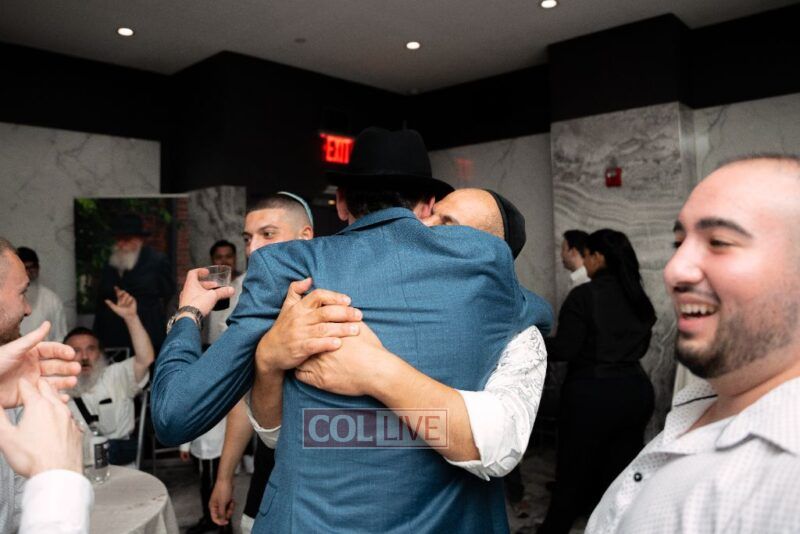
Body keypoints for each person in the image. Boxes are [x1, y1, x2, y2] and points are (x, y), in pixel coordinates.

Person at [152, 127, 548, 532]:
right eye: (439, 217)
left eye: (455, 228)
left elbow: (174, 414)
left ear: (340, 202)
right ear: (427, 206)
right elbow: (281, 433)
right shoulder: (497, 282)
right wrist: (268, 358)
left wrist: (188, 314)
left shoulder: (288, 269)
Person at [586, 156, 800, 533]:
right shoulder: (702, 403)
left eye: (719, 242)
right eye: (679, 242)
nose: (673, 270)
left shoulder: (786, 483)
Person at [208, 193, 314, 534]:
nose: (253, 249)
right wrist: (225, 476)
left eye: (267, 234)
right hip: (270, 466)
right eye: (247, 238)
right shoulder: (247, 302)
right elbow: (243, 398)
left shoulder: (335, 293)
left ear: (305, 236)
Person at [539, 229, 656, 534]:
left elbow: (565, 349)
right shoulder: (638, 297)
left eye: (588, 255)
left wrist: (529, 341)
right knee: (619, 478)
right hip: (635, 392)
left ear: (598, 257)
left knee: (571, 476)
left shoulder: (584, 296)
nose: (585, 261)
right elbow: (641, 346)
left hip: (592, 395)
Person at [0, 236, 88, 533]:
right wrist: (58, 476)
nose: (28, 309)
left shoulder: (10, 386)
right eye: (22, 292)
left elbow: (14, 500)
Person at [65, 287, 153, 465]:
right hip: (76, 469)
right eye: (76, 351)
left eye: (91, 349)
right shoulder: (57, 388)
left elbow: (145, 359)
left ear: (100, 353)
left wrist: (131, 318)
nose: (84, 357)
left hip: (120, 469)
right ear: (64, 355)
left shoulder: (116, 376)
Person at [93, 213, 175, 352]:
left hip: (148, 334)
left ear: (139, 240)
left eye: (126, 239)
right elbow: (102, 299)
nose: (120, 244)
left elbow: (168, 294)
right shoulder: (110, 263)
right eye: (118, 239)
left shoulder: (157, 261)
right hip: (113, 336)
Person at [17, 247, 68, 343]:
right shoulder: (5, 297)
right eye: (24, 268)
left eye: (31, 267)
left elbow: (60, 336)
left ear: (38, 268)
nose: (28, 272)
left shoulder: (52, 299)